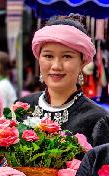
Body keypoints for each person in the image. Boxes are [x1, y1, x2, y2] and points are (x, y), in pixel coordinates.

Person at [18, 15, 109, 147]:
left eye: (67, 56)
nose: (56, 66)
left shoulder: (98, 119)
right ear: (39, 59)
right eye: (48, 56)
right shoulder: (23, 106)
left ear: (82, 62)